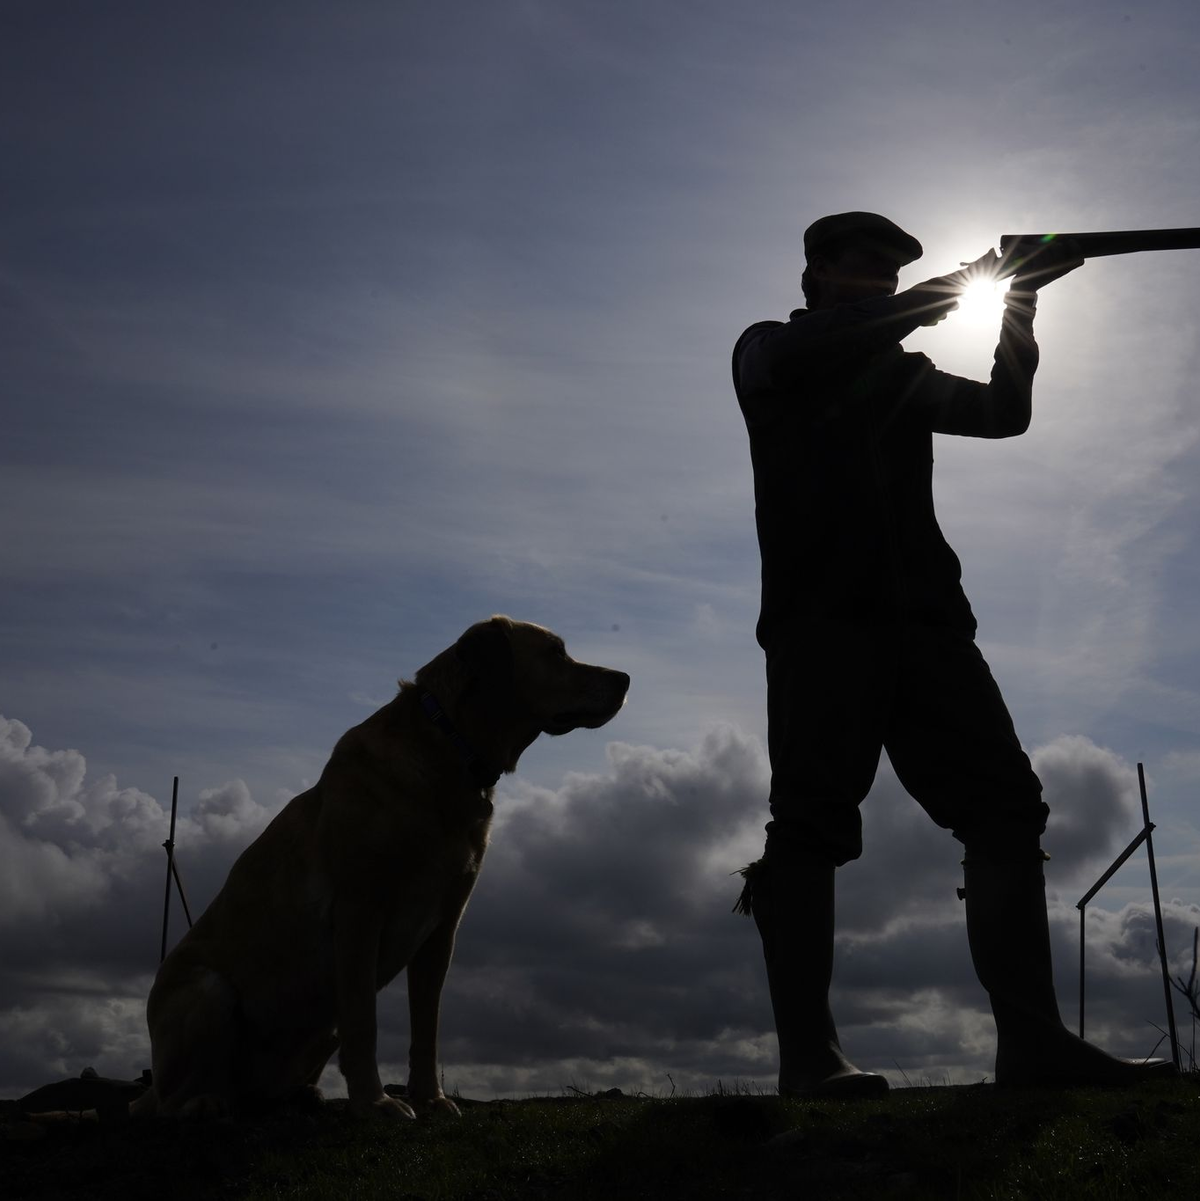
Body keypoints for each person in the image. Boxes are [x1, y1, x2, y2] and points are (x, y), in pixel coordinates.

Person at [731, 211, 1174, 1098]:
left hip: (931, 626)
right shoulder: (768, 351)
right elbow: (835, 342)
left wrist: (1016, 306)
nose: (879, 285)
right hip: (822, 625)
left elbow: (1004, 414)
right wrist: (960, 285)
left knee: (1007, 810)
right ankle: (809, 1059)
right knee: (812, 824)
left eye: (890, 275)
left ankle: (1034, 1044)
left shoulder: (900, 376)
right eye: (861, 270)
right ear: (816, 276)